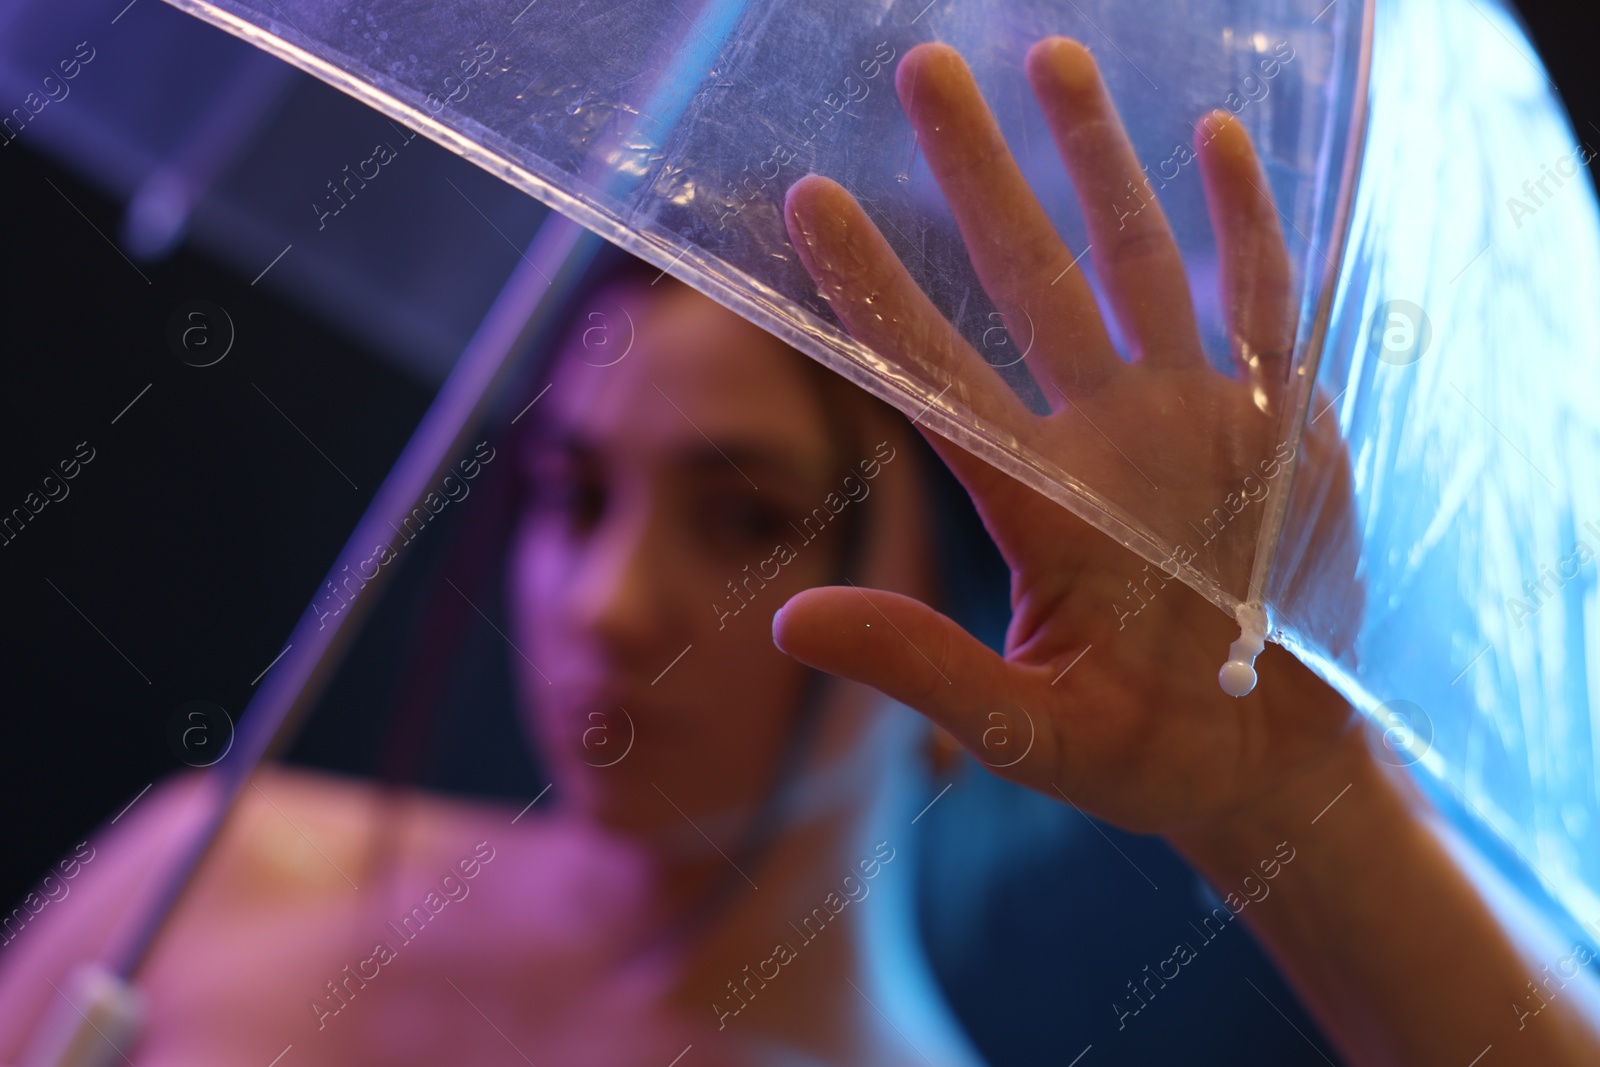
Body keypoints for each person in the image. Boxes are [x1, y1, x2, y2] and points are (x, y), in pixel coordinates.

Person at [1, 34, 1598, 1067]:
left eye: (749, 519)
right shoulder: (209, 870)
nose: (606, 607)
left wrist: (1281, 804)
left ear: (987, 602)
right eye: (571, 494)